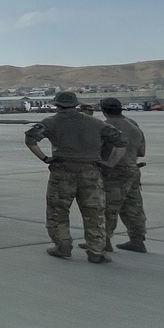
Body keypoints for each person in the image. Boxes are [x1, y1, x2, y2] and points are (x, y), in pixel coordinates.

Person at [25, 90, 125, 263]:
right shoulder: (95, 123)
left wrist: (45, 158)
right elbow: (121, 142)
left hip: (63, 171)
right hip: (91, 172)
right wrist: (110, 163)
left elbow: (30, 139)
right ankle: (96, 251)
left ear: (57, 105)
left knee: (58, 211)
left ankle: (62, 245)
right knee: (94, 212)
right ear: (76, 104)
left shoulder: (50, 122)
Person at [95, 97, 147, 253]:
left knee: (108, 207)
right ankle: (137, 240)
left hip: (113, 171)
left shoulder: (104, 127)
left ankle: (104, 241)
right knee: (134, 206)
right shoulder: (134, 125)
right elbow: (142, 151)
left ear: (103, 109)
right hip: (133, 169)